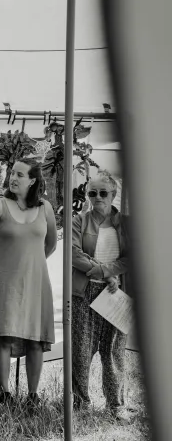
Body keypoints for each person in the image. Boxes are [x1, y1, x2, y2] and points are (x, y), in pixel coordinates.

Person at [0, 159, 57, 407]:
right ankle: (5, 393)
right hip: (5, 281)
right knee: (3, 335)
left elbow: (52, 244)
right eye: (12, 173)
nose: (13, 177)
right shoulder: (0, 206)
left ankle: (33, 395)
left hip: (37, 281)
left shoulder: (45, 208)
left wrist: (31, 266)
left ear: (32, 180)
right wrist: (2, 268)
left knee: (35, 338)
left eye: (19, 174)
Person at [71, 171, 131, 421]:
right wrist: (105, 273)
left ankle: (116, 405)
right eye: (92, 192)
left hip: (115, 292)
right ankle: (81, 402)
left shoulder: (126, 224)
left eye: (102, 192)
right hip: (84, 292)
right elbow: (72, 254)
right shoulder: (79, 220)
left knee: (114, 351)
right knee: (82, 350)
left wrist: (107, 272)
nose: (97, 197)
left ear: (113, 194)